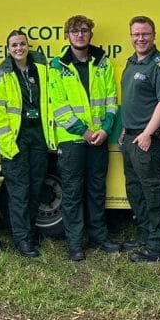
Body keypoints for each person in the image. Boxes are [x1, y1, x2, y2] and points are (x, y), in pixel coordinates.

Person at [48, 15, 122, 261]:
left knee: (96, 190)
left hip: (99, 138)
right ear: (66, 35)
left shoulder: (102, 63)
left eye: (84, 30)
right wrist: (84, 132)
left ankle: (99, 237)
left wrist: (105, 129)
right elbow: (59, 108)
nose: (80, 35)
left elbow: (111, 101)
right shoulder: (57, 66)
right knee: (72, 192)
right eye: (74, 31)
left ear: (91, 34)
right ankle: (75, 243)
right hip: (72, 140)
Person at [0, 31, 56, 258]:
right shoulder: (1, 75)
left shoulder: (42, 70)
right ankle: (23, 240)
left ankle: (31, 232)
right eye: (14, 45)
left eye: (22, 44)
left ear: (28, 46)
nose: (18, 48)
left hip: (38, 136)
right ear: (8, 48)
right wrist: (7, 143)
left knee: (35, 187)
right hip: (16, 139)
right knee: (19, 191)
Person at [120, 15, 160, 262]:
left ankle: (159, 246)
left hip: (148, 140)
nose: (140, 38)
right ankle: (147, 234)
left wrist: (147, 133)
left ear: (154, 35)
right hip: (131, 138)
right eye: (135, 34)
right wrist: (126, 129)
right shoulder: (131, 63)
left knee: (153, 192)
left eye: (145, 34)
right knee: (135, 190)